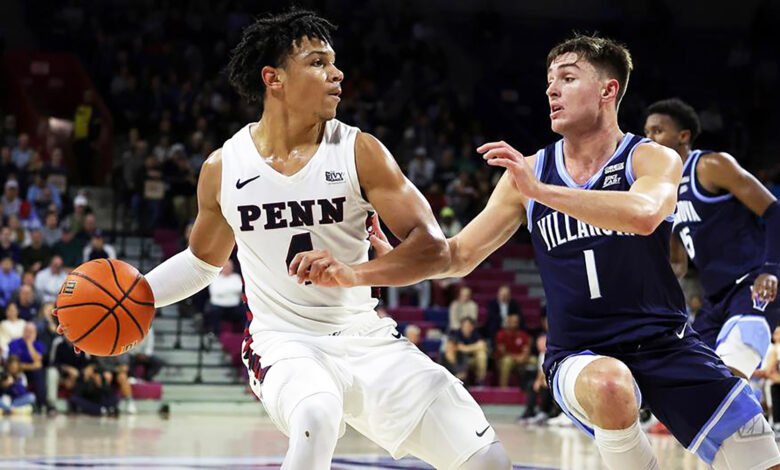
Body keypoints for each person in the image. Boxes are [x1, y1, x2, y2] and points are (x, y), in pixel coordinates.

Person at [98, 10, 510, 470]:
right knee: (316, 413)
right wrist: (134, 298)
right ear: (273, 78)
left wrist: (354, 273)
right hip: (283, 340)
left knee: (486, 460)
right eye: (317, 62)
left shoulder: (360, 151)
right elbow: (201, 263)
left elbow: (432, 248)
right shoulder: (223, 168)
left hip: (365, 336)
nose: (337, 73)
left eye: (334, 62)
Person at [359, 35, 780, 469]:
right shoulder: (530, 172)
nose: (551, 90)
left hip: (668, 343)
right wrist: (395, 257)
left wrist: (541, 192)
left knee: (764, 459)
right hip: (579, 354)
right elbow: (458, 255)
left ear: (607, 90)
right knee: (611, 385)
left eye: (567, 78)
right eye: (549, 82)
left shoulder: (649, 158)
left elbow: (643, 214)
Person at [644, 98, 779, 379]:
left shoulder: (710, 165)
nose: (649, 139)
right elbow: (678, 262)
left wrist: (771, 269)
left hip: (751, 283)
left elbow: (774, 211)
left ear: (683, 136)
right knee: (699, 385)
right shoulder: (663, 192)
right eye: (646, 133)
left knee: (733, 366)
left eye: (657, 131)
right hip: (714, 298)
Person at [494, 313, 532, 387]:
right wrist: (516, 357)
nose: (515, 323)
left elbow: (526, 350)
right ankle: (503, 387)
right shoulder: (501, 334)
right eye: (512, 321)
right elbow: (503, 352)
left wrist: (523, 357)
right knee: (507, 361)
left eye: (516, 321)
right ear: (507, 322)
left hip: (521, 359)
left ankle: (531, 386)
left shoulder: (523, 335)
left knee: (534, 360)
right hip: (504, 360)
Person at [453, 317, 488, 385]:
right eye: (463, 326)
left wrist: (466, 348)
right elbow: (459, 348)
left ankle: (480, 381)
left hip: (472, 360)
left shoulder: (475, 334)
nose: (465, 328)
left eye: (467, 326)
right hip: (460, 361)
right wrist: (475, 347)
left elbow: (482, 345)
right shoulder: (457, 334)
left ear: (472, 327)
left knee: (482, 355)